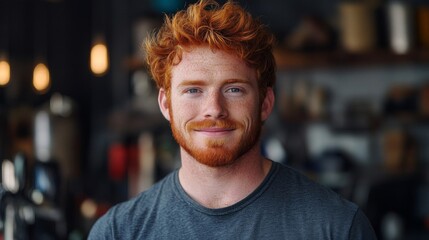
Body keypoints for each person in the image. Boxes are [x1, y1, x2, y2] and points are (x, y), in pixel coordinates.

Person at [88, 0, 377, 239]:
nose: (214, 108)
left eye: (234, 89)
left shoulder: (337, 227)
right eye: (193, 90)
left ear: (265, 103)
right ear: (165, 104)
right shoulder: (117, 232)